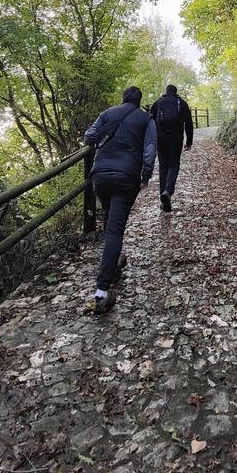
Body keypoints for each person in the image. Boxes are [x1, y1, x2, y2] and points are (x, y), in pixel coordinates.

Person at [84, 85, 156, 314]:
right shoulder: (146, 119)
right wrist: (145, 175)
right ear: (139, 100)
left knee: (109, 220)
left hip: (100, 176)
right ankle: (102, 291)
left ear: (123, 98)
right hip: (126, 177)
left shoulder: (107, 113)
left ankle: (113, 264)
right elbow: (150, 149)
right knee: (115, 230)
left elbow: (89, 137)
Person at [149, 84, 193, 213]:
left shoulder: (158, 103)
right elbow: (189, 123)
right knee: (173, 165)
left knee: (163, 166)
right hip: (175, 137)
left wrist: (151, 140)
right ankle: (168, 191)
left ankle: (163, 199)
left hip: (160, 137)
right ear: (176, 92)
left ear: (166, 92)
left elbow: (151, 121)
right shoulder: (182, 103)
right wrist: (189, 141)